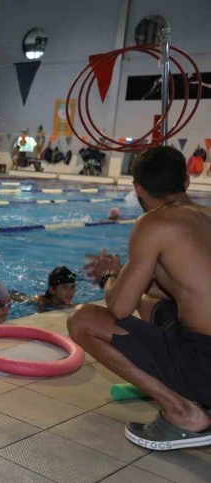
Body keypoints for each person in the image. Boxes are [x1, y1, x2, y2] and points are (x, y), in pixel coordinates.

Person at [67, 146, 211, 450]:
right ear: (187, 180)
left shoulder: (154, 223)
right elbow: (180, 287)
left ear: (138, 189)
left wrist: (108, 278)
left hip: (205, 362)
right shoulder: (205, 217)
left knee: (82, 319)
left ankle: (183, 413)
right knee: (147, 302)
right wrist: (125, 276)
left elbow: (120, 307)